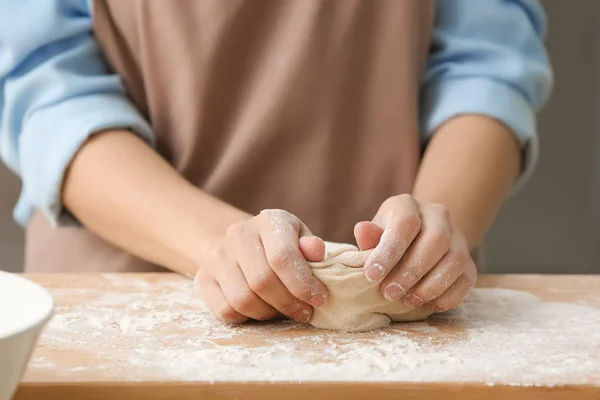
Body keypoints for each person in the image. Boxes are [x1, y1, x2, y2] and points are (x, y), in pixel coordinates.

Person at [0, 0, 552, 325]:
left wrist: (439, 220)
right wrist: (215, 243)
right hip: (128, 279)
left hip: (406, 286)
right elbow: (45, 87)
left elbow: (487, 65)